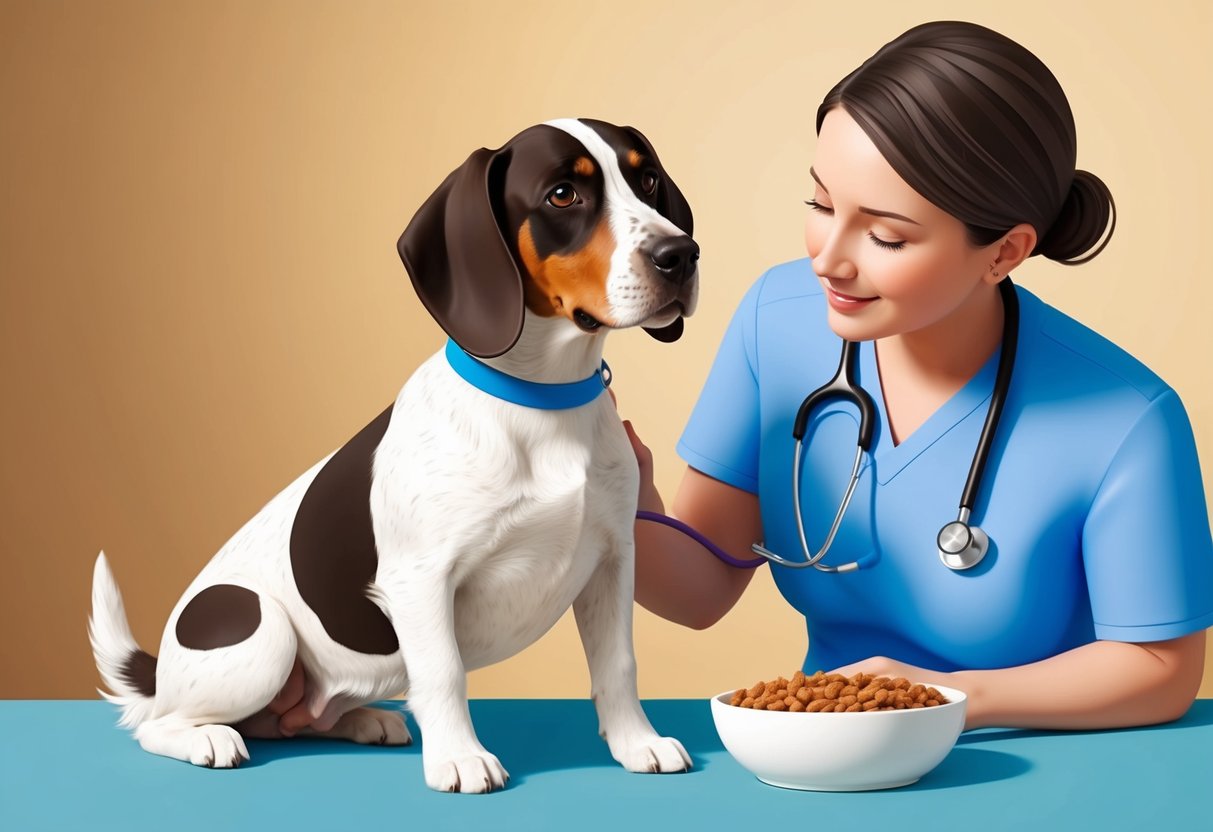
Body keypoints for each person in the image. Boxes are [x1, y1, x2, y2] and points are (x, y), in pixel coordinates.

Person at [625, 20, 1212, 731]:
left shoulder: (1127, 420)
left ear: (1003, 252)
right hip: (833, 757)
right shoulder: (775, 321)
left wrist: (948, 699)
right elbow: (700, 589)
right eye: (819, 204)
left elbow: (1161, 673)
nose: (827, 260)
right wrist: (617, 503)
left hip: (1043, 764)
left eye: (885, 235)